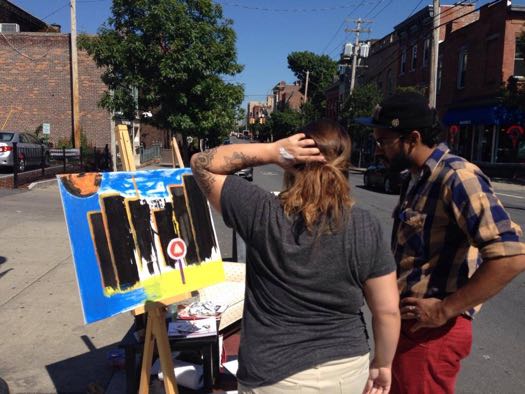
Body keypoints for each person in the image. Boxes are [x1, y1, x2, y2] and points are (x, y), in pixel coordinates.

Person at [190, 119, 400, 394]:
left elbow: (200, 163)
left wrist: (271, 151)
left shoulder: (261, 211)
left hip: (272, 376)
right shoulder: (365, 225)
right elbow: (387, 310)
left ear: (292, 160)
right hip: (345, 372)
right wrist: (383, 364)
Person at [356, 91, 525, 394]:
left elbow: (511, 255)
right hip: (408, 327)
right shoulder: (418, 177)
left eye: (383, 142)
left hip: (433, 334)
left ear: (413, 138)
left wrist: (445, 309)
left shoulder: (457, 176)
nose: (378, 151)